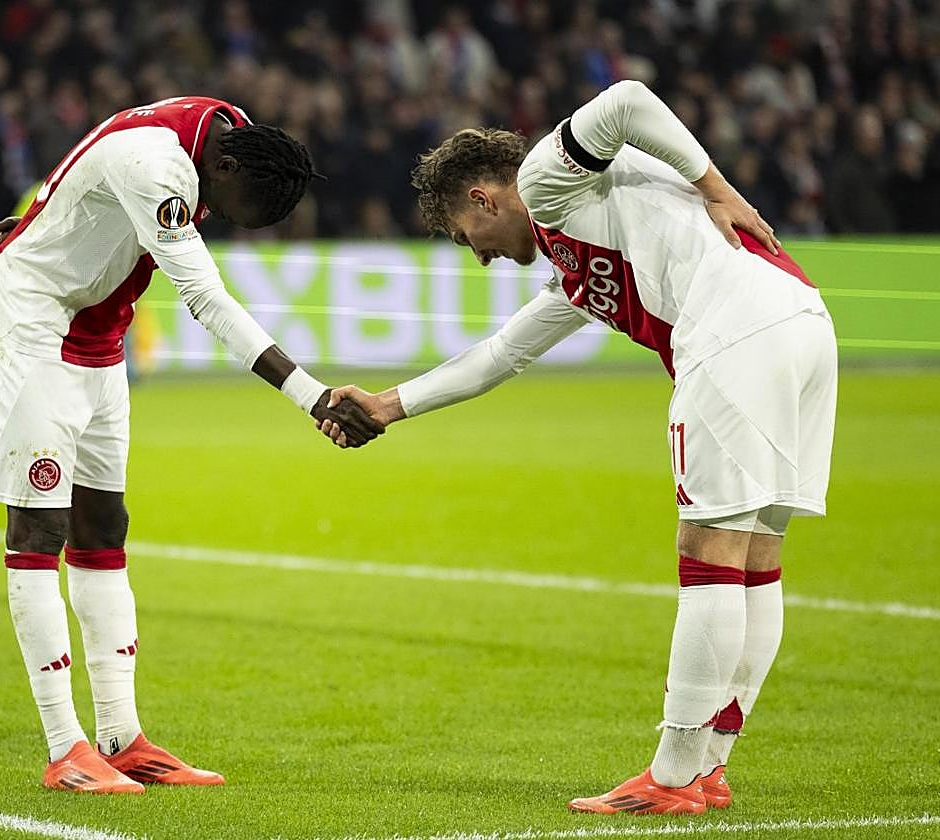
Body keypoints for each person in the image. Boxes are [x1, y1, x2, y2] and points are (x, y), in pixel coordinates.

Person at [320, 80, 836, 816]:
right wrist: (388, 405)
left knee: (709, 548)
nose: (481, 259)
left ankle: (672, 773)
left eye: (470, 240)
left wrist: (717, 188)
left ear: (484, 198)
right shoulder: (580, 253)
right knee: (754, 554)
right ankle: (708, 766)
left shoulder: (547, 181)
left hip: (734, 332)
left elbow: (626, 100)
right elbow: (500, 356)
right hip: (801, 323)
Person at [0, 95, 382, 794]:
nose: (222, 222)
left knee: (104, 524)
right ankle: (66, 750)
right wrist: (313, 395)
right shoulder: (160, 166)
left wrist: (44, 216)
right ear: (220, 166)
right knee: (39, 524)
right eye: (233, 207)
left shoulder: (226, 133)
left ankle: (121, 738)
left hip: (97, 332)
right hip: (31, 319)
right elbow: (206, 300)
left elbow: (90, 145)